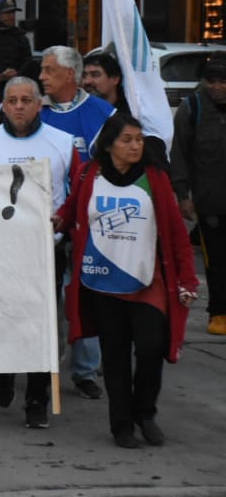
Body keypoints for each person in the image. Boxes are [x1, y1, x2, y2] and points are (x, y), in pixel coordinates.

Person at [58, 113, 198, 448]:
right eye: (127, 140)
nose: (135, 145)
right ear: (109, 145)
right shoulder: (89, 173)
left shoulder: (155, 178)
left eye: (138, 139)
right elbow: (71, 209)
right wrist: (55, 219)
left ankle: (145, 412)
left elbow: (177, 233)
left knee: (152, 347)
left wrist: (188, 280)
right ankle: (121, 425)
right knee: (115, 355)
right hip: (103, 281)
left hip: (148, 281)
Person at [0, 77, 80, 427]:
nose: (18, 106)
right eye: (12, 100)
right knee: (0, 317)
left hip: (45, 248)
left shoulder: (61, 143)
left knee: (41, 324)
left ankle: (37, 398)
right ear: (3, 104)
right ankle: (1, 373)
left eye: (26, 100)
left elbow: (77, 191)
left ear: (39, 104)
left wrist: (65, 218)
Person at [39, 44, 115, 400]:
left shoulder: (103, 114)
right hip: (43, 222)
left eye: (48, 70)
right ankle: (45, 363)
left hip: (88, 223)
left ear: (70, 74)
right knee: (46, 296)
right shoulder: (32, 110)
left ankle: (85, 370)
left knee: (86, 293)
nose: (42, 77)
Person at [170, 57, 226, 335]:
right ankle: (218, 312)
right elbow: (179, 153)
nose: (217, 86)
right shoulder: (192, 108)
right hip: (210, 201)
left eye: (222, 81)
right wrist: (182, 194)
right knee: (215, 261)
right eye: (211, 80)